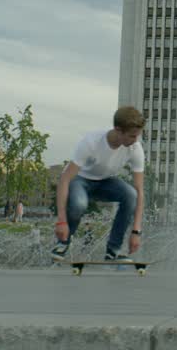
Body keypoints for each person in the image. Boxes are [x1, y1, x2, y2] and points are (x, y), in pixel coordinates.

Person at [51, 106, 146, 262]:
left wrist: (136, 231)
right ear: (118, 130)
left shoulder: (135, 149)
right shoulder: (91, 142)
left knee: (131, 194)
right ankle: (62, 244)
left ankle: (113, 250)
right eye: (131, 136)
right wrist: (61, 221)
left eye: (137, 136)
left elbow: (140, 191)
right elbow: (64, 179)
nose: (135, 140)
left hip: (106, 182)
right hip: (80, 181)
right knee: (79, 204)